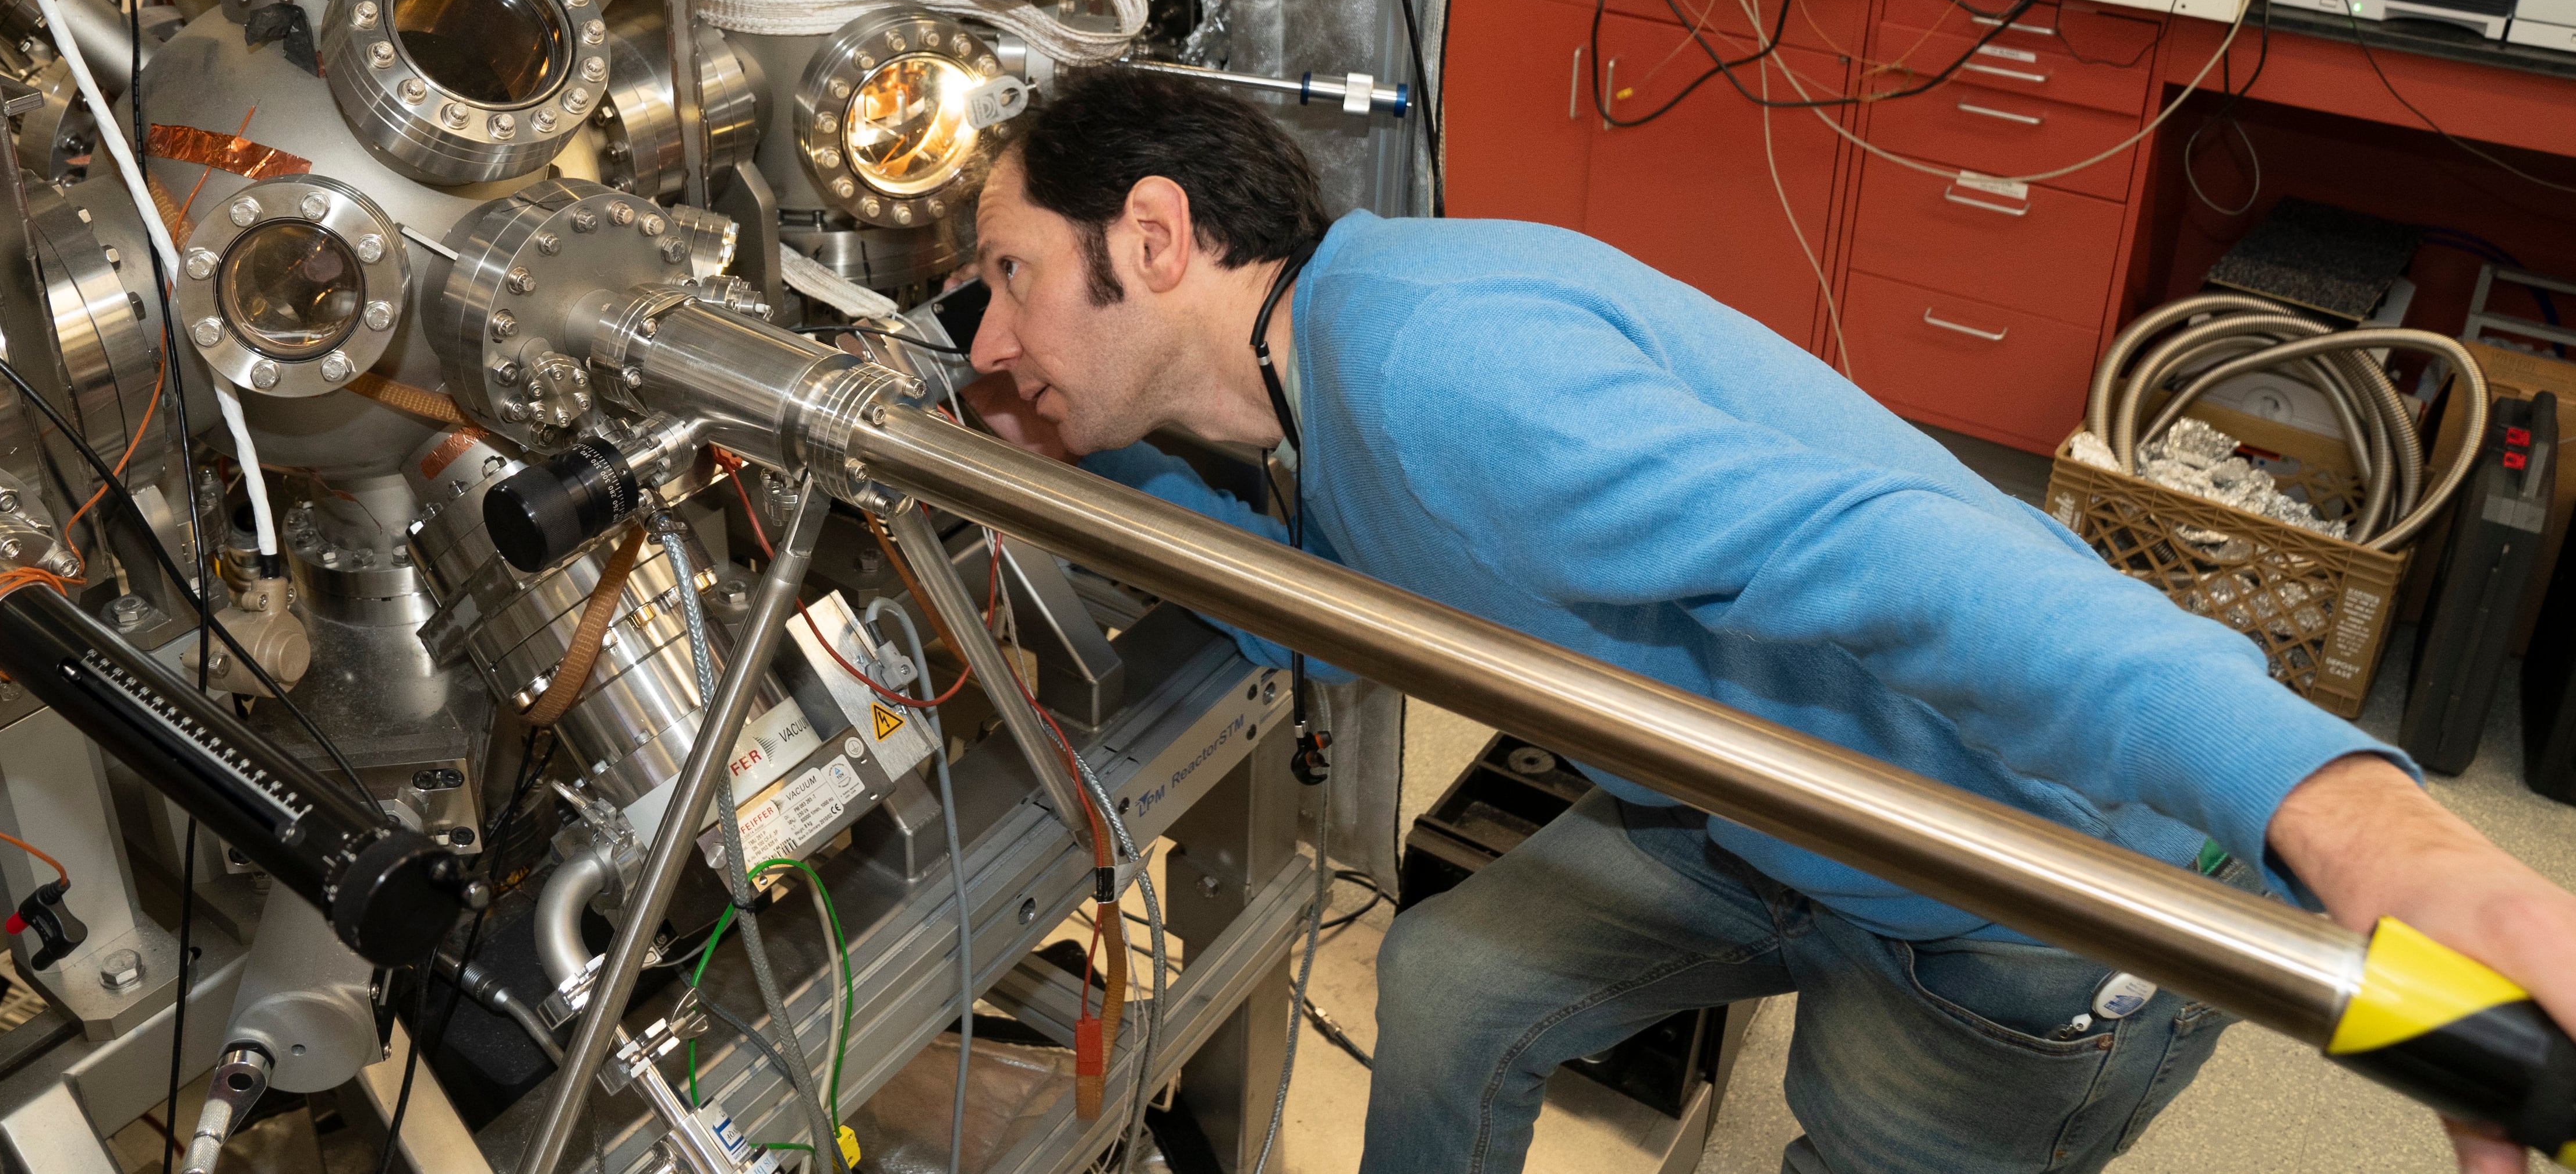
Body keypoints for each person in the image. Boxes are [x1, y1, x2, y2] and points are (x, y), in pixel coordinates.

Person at [960, 65, 2576, 1174]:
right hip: (1752, 817)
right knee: (1451, 982)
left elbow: (1910, 554)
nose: (985, 337)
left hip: (2020, 893)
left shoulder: (1432, 370)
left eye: (1012, 273)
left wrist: (2358, 821)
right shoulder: (1329, 391)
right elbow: (1326, 620)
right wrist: (1088, 478)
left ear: (1156, 238)